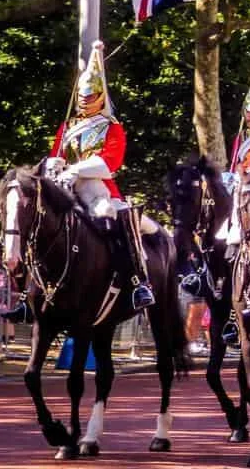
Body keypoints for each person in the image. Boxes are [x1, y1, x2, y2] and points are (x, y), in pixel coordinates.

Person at [49, 40, 155, 311]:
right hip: (64, 186)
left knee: (111, 214)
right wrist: (54, 165)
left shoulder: (112, 127)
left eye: (90, 97)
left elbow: (111, 162)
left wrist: (76, 169)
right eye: (82, 97)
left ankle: (136, 279)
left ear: (100, 97)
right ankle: (29, 292)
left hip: (97, 188)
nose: (84, 101)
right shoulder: (68, 126)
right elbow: (56, 153)